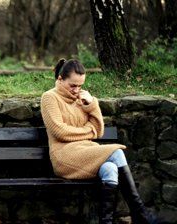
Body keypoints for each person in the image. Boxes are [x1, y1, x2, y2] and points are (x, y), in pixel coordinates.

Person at [40, 59, 157, 224]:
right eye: (73, 85)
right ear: (60, 79)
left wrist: (91, 104)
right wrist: (88, 131)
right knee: (116, 151)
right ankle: (140, 213)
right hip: (64, 156)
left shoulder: (82, 99)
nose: (77, 90)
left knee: (109, 168)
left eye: (80, 86)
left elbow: (98, 130)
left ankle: (107, 221)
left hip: (86, 152)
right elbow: (59, 132)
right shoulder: (49, 98)